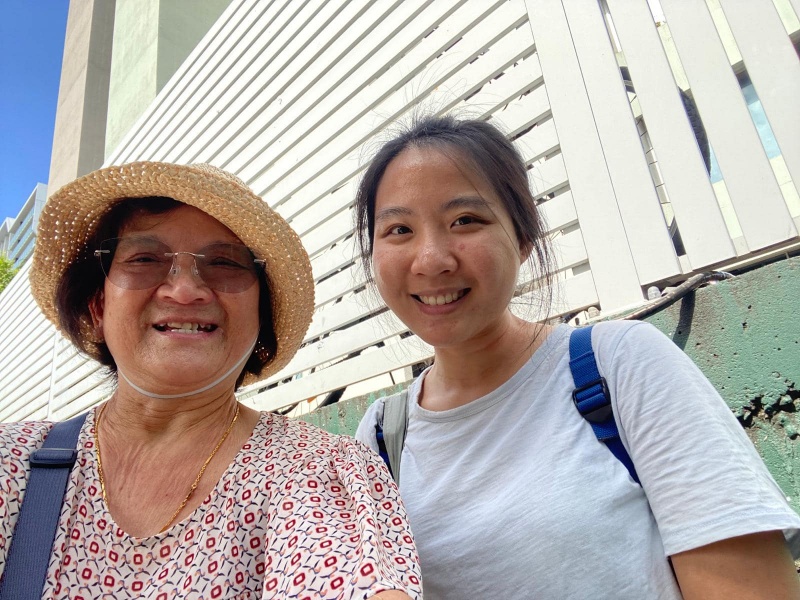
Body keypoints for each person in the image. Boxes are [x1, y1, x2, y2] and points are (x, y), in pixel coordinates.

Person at [353, 115, 800, 599]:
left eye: (465, 220)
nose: (431, 260)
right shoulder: (381, 438)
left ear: (523, 237)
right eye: (399, 229)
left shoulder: (620, 363)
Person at [0, 162, 422, 599]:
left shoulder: (318, 470)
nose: (185, 291)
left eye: (224, 263)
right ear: (97, 307)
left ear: (260, 316)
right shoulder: (10, 465)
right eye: (145, 260)